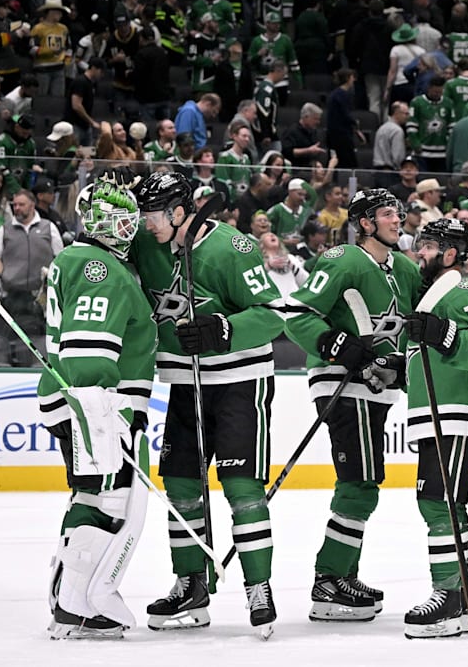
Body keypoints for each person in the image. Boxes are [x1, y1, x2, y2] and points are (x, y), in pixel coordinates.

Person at [130, 172, 288, 638]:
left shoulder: (232, 249)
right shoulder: (147, 243)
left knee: (241, 489)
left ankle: (259, 587)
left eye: (152, 214)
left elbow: (272, 315)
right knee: (180, 489)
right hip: (184, 383)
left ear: (180, 211)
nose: (145, 224)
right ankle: (191, 584)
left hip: (240, 382)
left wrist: (223, 329)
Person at [283, 188, 421, 622]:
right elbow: (298, 314)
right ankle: (329, 581)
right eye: (387, 214)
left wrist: (401, 365)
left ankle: (342, 575)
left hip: (378, 386)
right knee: (359, 483)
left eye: (398, 213)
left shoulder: (404, 269)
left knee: (364, 481)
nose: (398, 220)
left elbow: (411, 328)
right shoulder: (343, 259)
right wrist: (337, 345)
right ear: (364, 222)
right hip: (342, 382)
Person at [39, 180, 157, 639]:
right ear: (94, 218)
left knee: (91, 495)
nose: (126, 224)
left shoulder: (89, 259)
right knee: (104, 499)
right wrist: (102, 410)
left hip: (87, 399)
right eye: (116, 214)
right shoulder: (97, 265)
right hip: (92, 400)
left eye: (130, 215)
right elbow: (89, 354)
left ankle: (67, 595)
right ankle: (77, 606)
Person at [401, 217, 468, 637]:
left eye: (426, 245)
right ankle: (459, 597)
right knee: (445, 503)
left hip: (462, 408)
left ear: (449, 253)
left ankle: (449, 598)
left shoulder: (466, 286)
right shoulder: (433, 293)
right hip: (440, 409)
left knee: (439, 503)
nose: (418, 252)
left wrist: (441, 333)